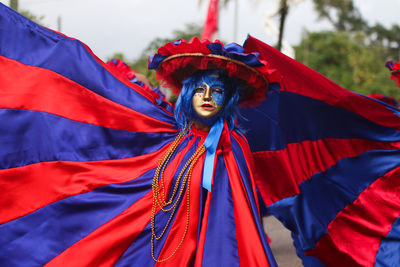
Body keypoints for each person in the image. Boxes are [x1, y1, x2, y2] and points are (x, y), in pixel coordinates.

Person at [1, 3, 400, 267]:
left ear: (230, 100)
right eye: (201, 90)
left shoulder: (232, 146)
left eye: (218, 91)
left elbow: (236, 218)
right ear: (188, 94)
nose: (208, 98)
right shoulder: (169, 140)